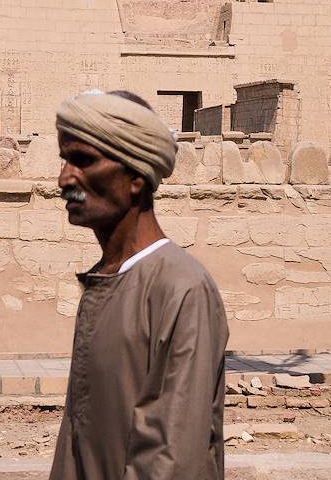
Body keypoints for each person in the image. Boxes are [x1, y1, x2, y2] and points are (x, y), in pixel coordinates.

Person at [49, 89, 228, 480]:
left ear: (135, 177)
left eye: (83, 161)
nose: (65, 178)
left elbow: (173, 457)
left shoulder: (181, 288)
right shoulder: (107, 278)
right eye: (65, 160)